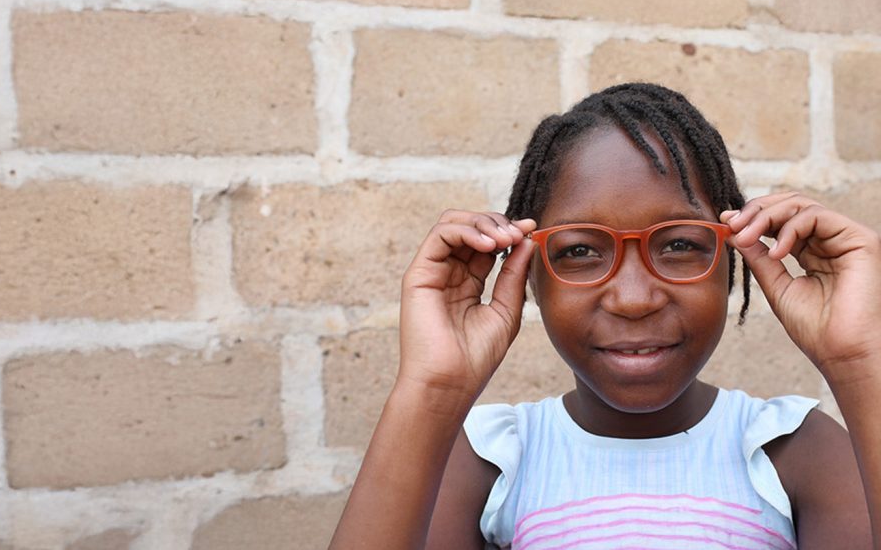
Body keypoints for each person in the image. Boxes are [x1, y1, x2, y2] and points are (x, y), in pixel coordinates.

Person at [329, 83, 881, 549]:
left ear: (732, 258)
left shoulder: (794, 449)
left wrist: (860, 360)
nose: (634, 298)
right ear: (529, 275)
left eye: (680, 244)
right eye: (579, 251)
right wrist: (433, 387)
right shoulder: (494, 459)